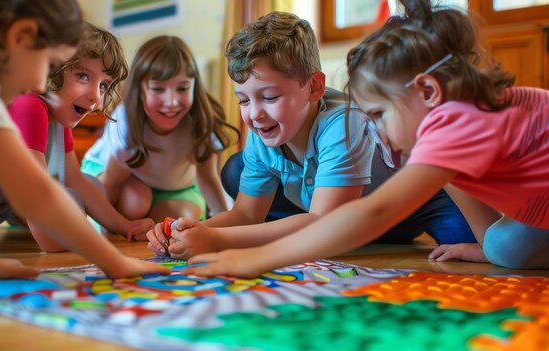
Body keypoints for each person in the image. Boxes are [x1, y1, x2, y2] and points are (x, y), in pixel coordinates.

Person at [182, 0, 549, 278]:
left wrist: (258, 258)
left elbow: (374, 212)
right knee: (503, 245)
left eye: (378, 115)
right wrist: (488, 248)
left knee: (508, 246)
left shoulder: (453, 120)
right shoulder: (458, 119)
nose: (377, 131)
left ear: (427, 90)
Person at [147, 11, 474, 259]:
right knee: (235, 169)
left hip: (408, 209)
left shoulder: (342, 123)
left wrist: (217, 241)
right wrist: (189, 230)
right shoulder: (263, 130)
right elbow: (247, 214)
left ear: (314, 87)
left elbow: (321, 221)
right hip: (335, 213)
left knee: (472, 239)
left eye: (270, 97)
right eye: (243, 100)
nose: (255, 113)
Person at [0, 0, 169, 278]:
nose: (43, 83)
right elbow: (36, 194)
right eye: (50, 63)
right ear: (21, 38)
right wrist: (114, 262)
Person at [81, 35, 239, 240]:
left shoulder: (202, 122)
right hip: (118, 180)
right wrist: (101, 232)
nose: (171, 101)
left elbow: (208, 178)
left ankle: (142, 227)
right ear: (140, 89)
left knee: (182, 220)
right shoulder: (127, 123)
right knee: (135, 201)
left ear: (194, 87)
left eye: (182, 88)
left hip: (177, 188)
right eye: (158, 89)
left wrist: (228, 229)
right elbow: (111, 181)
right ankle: (128, 224)